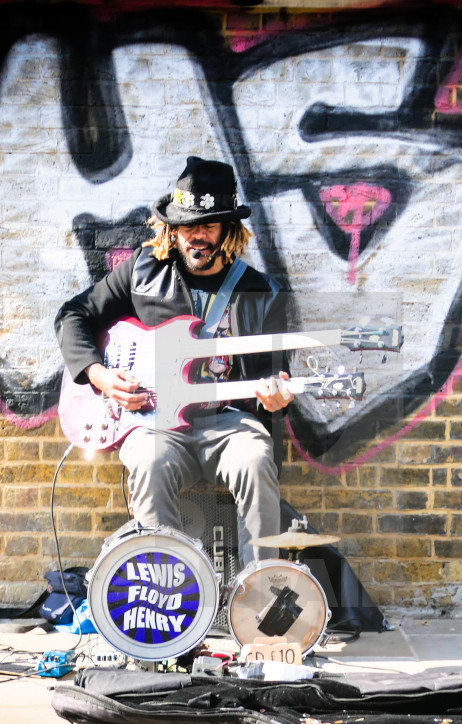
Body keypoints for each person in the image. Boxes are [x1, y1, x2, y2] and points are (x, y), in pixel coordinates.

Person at [55, 156, 293, 558]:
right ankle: (164, 589)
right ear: (173, 228)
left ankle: (257, 591)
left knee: (255, 459)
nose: (196, 236)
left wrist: (277, 395)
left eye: (208, 225)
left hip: (228, 422)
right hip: (154, 423)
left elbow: (274, 369)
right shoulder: (143, 271)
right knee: (148, 462)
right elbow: (73, 315)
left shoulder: (262, 291)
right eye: (187, 225)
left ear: (229, 229)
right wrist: (100, 376)